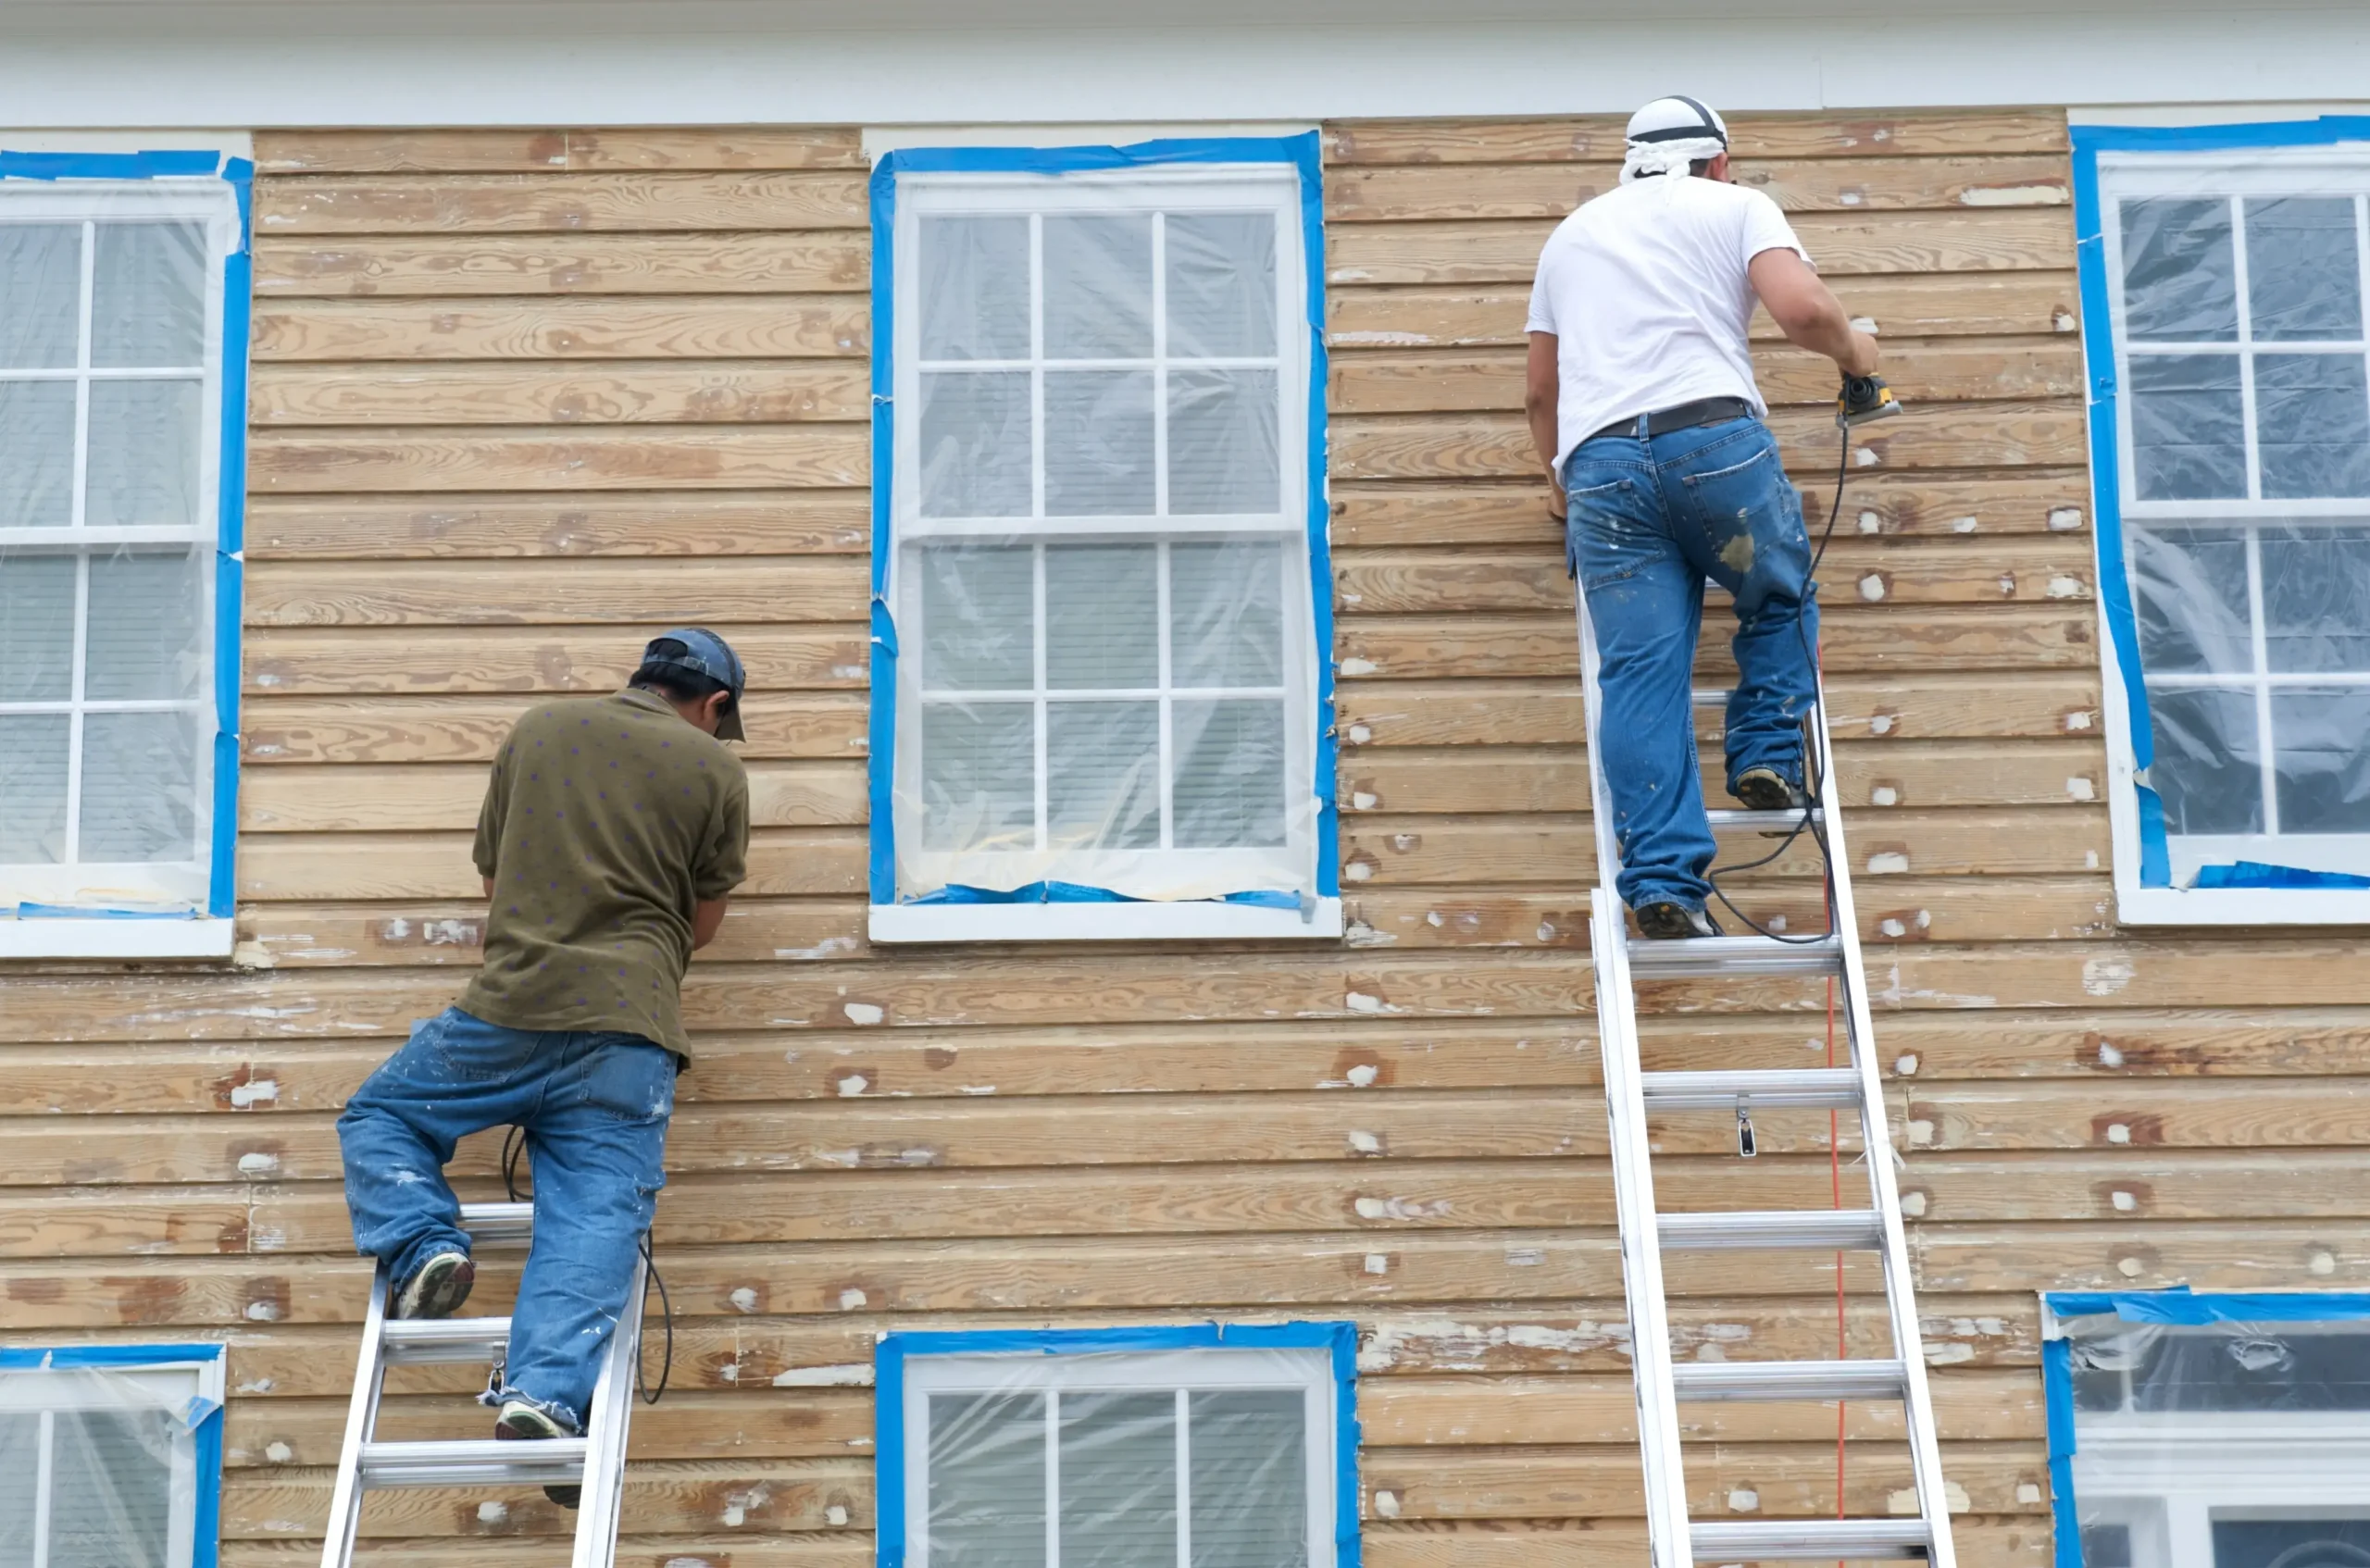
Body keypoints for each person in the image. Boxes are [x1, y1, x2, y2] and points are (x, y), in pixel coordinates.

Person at [335, 629, 752, 1500]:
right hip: (628, 1034)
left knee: (381, 1117)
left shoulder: (538, 729)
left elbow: (497, 885)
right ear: (714, 706)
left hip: (510, 1008)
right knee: (594, 1219)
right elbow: (701, 928)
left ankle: (422, 1247)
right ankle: (546, 1398)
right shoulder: (715, 772)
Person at [1525, 95, 1881, 939]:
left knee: (1641, 677)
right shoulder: (1737, 205)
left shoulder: (1570, 236)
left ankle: (1660, 883)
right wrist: (1857, 356)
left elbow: (1542, 391)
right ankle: (1761, 756)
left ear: (1630, 162)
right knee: (1778, 593)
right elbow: (1801, 310)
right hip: (1712, 449)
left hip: (1601, 472)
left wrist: (1558, 485)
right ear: (1718, 162)